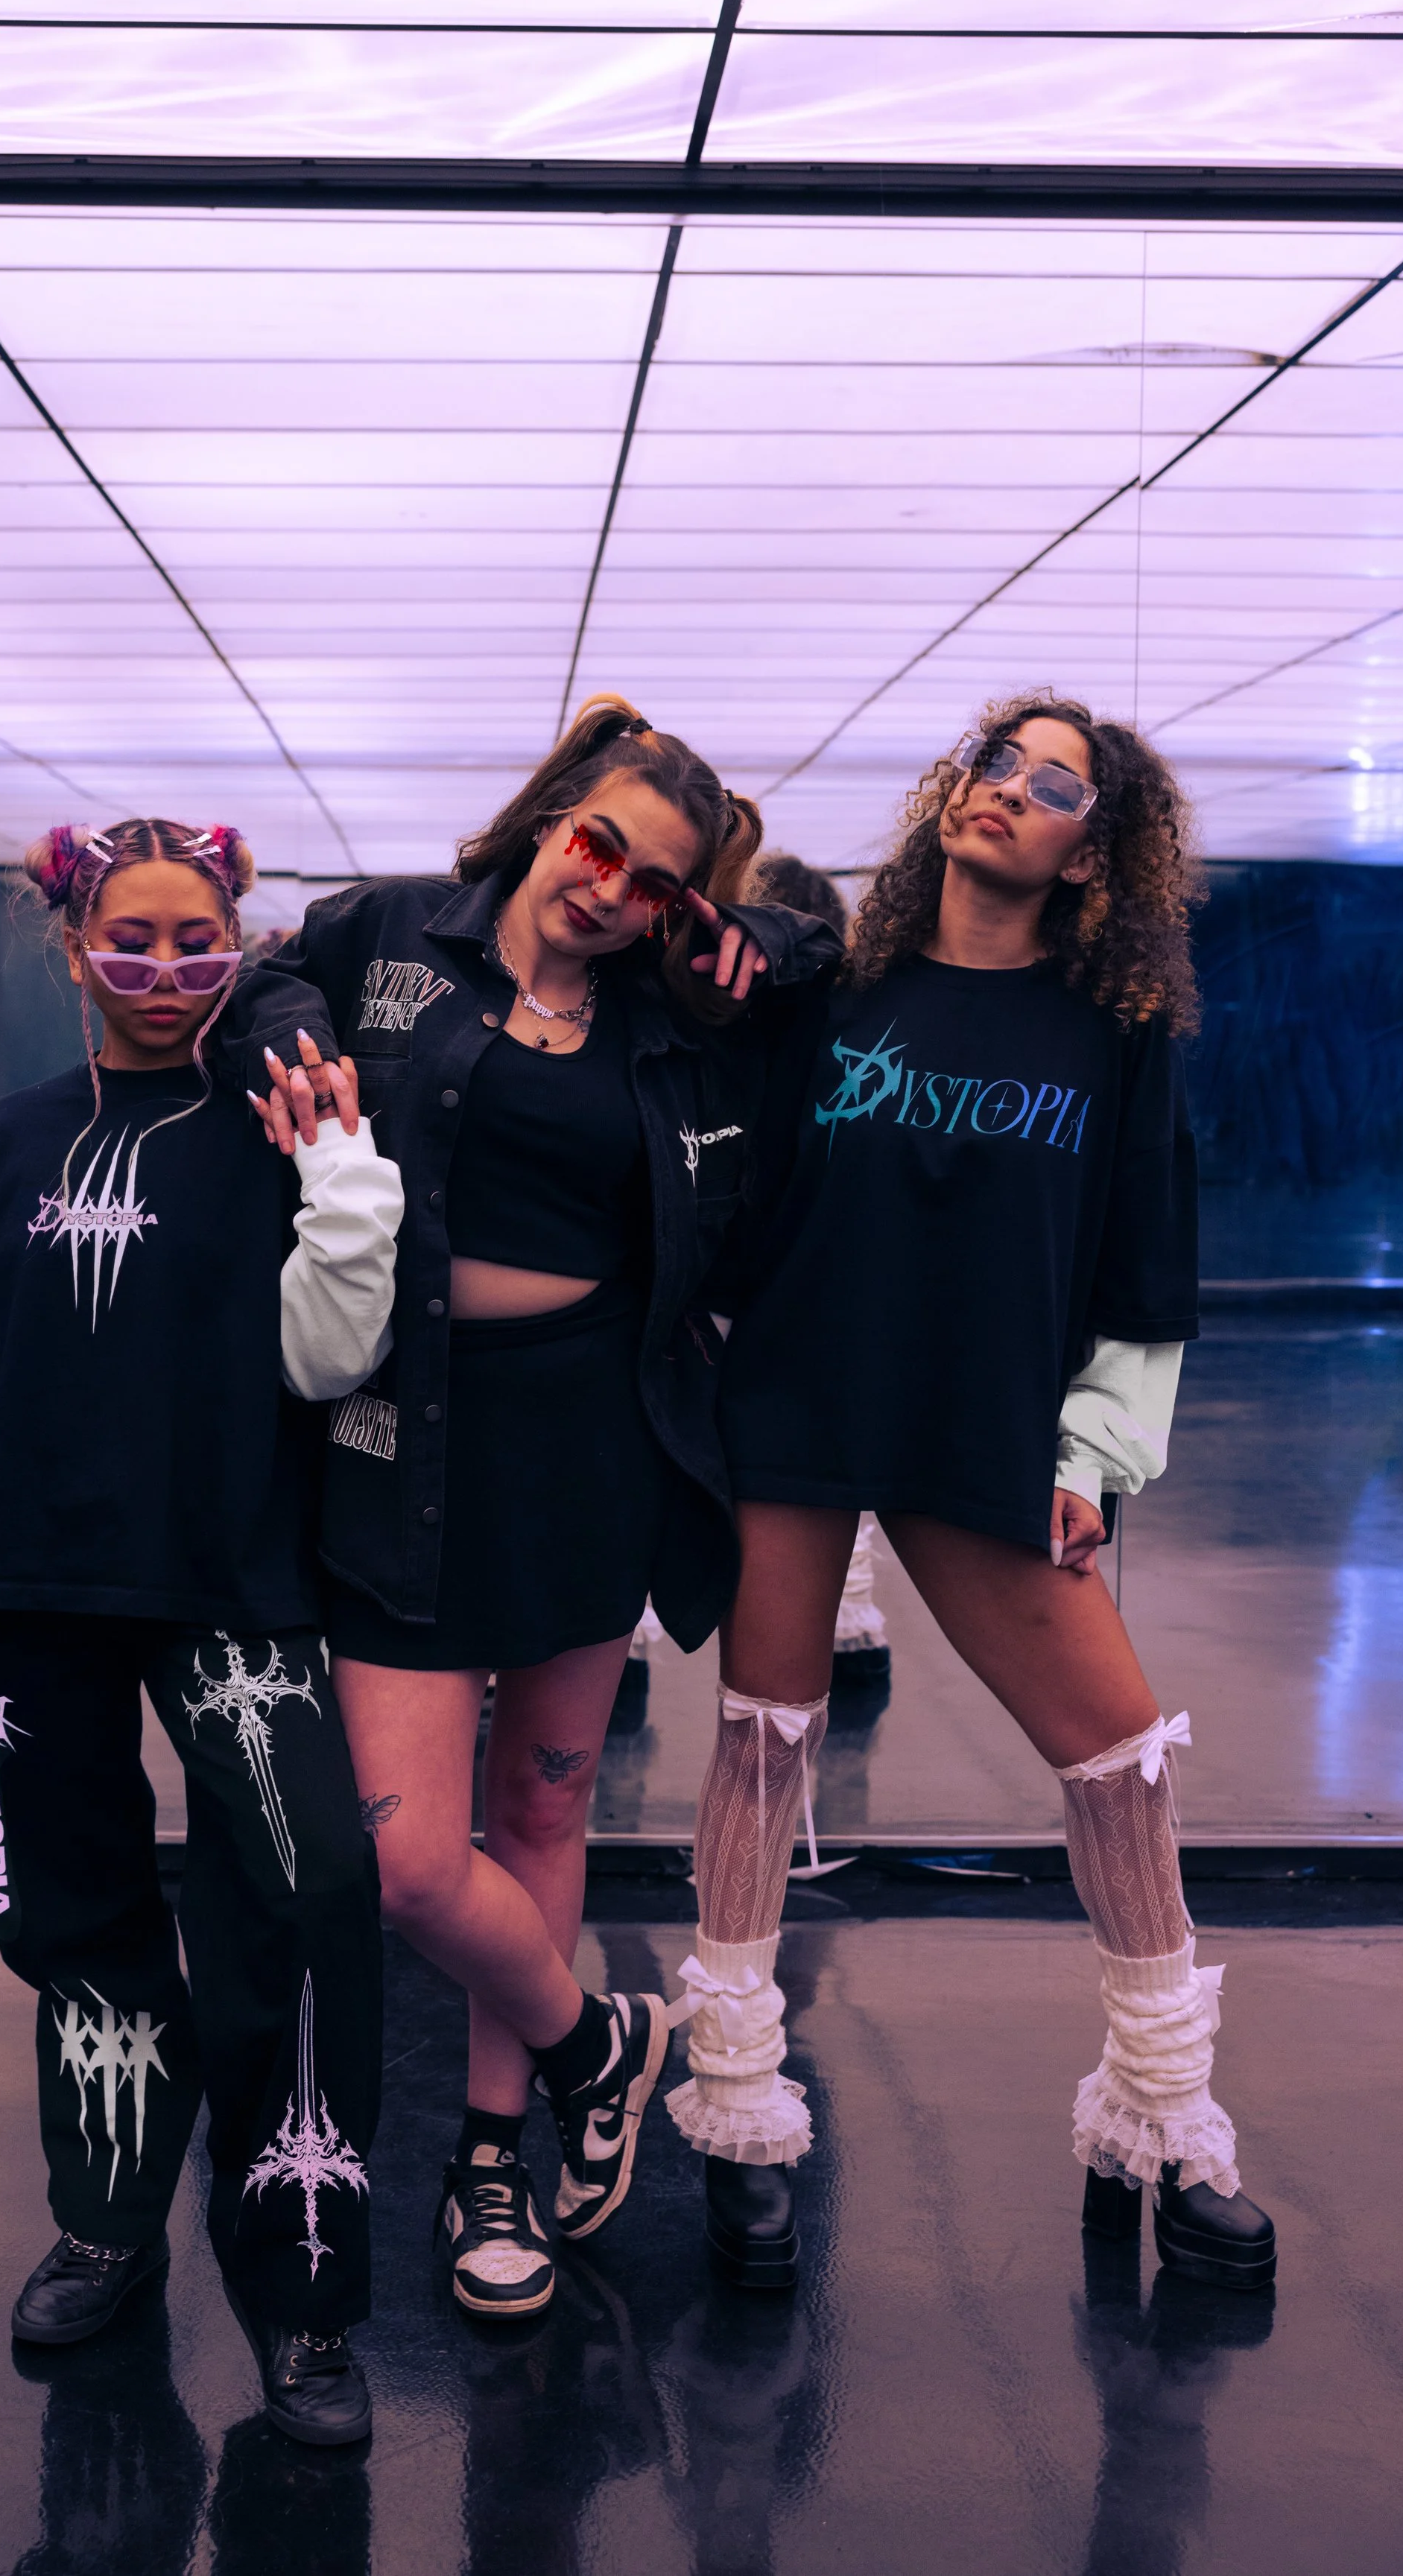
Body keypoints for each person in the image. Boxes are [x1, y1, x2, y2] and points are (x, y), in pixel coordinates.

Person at [232, 698, 837, 2323]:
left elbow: (823, 952)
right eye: (598, 843)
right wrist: (282, 1033)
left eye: (652, 883)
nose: (607, 889)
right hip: (392, 1440)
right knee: (411, 1857)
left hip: (589, 1445)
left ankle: (489, 2156)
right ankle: (600, 2039)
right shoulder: (384, 937)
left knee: (544, 1815)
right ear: (552, 811)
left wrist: (753, 945)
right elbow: (263, 980)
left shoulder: (671, 1013)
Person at [683, 695, 1276, 2297]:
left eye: (1050, 782)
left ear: (1096, 851)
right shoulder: (834, 983)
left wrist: (1090, 1453)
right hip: (797, 1397)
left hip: (986, 1421)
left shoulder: (1111, 1026)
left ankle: (1160, 2114)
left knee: (1117, 1759)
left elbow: (1144, 1262)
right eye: (988, 762)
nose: (1003, 790)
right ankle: (737, 2105)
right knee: (758, 1742)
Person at [0, 816, 405, 2445]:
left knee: (309, 1896)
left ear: (238, 939)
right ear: (71, 941)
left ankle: (301, 2287)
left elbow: (327, 1361)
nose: (163, 969)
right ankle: (104, 2215)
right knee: (76, 1931)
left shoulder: (278, 1122)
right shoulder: (12, 1135)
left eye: (195, 937)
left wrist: (340, 1171)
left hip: (227, 1578)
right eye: (131, 936)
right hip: (21, 1595)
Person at [743, 855, 892, 1691]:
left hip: (736, 1288)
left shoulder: (733, 1029)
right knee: (840, 1478)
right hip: (828, 1295)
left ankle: (632, 1642)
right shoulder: (854, 1032)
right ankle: (852, 1624)